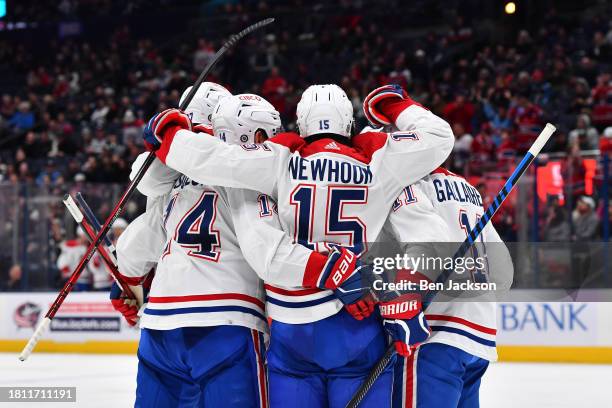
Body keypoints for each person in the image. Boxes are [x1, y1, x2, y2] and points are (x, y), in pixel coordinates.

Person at [142, 83, 454, 407]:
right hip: (359, 325)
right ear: (348, 122)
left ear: (301, 123)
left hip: (292, 327)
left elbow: (221, 161)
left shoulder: (280, 159)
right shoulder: (382, 162)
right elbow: (438, 141)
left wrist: (171, 138)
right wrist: (395, 106)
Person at [116, 84, 358, 408]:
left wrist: (128, 284)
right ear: (254, 135)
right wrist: (329, 268)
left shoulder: (173, 182)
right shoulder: (247, 177)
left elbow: (136, 245)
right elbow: (266, 252)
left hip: (160, 327)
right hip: (226, 322)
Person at [382, 166, 512, 408]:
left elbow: (427, 244)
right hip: (479, 333)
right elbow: (503, 269)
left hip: (433, 333)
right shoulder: (469, 190)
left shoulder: (406, 181)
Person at [56, 227, 93, 291]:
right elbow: (62, 263)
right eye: (86, 235)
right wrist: (69, 275)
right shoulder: (69, 247)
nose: (88, 237)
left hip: (87, 280)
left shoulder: (89, 246)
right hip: (75, 281)